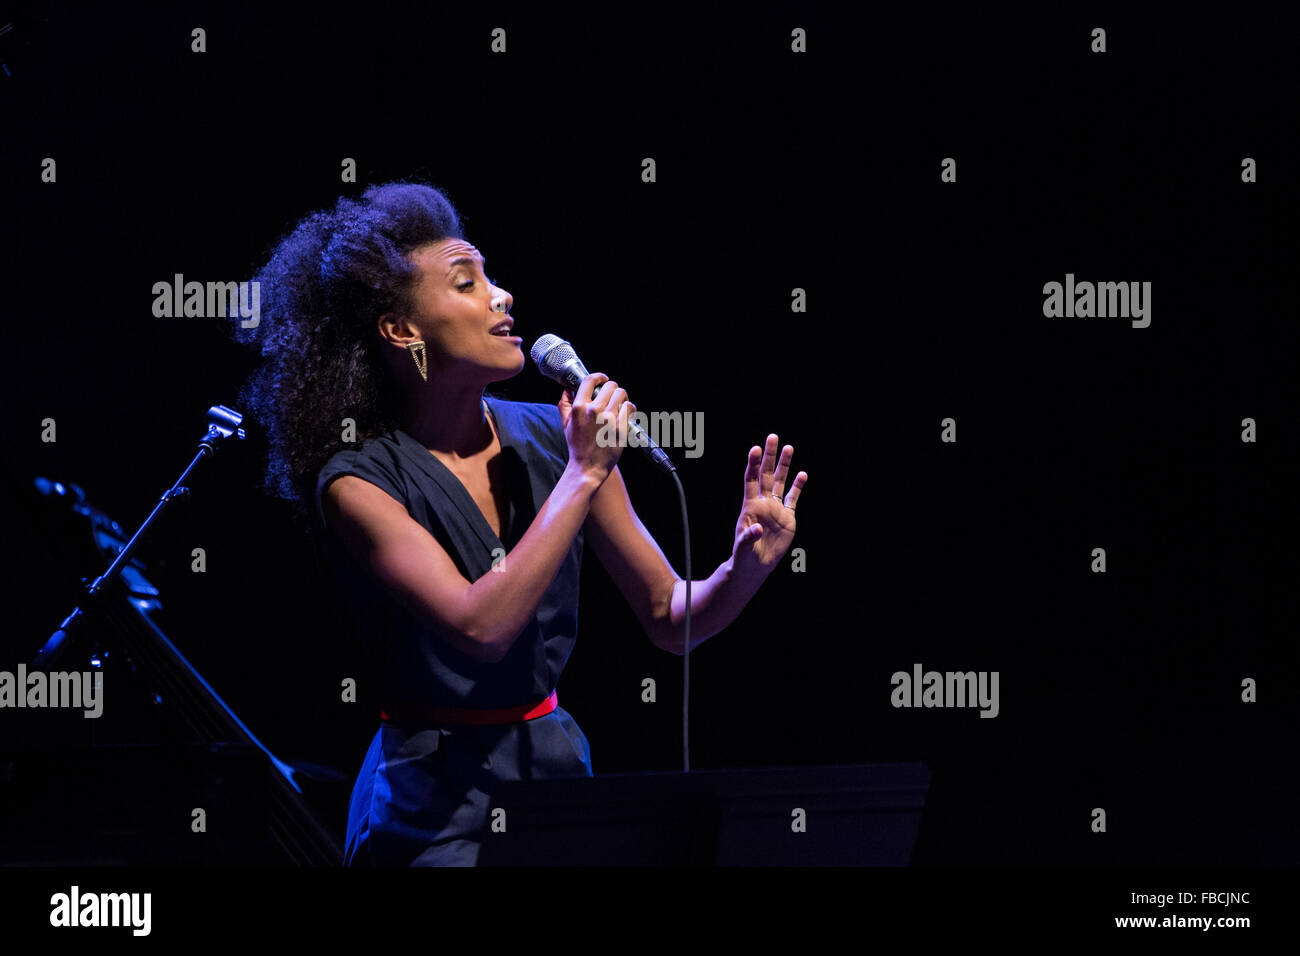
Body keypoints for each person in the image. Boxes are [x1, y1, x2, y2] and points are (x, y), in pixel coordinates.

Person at [232, 181, 808, 865]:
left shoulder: (552, 440)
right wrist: (584, 473)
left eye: (492, 279)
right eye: (467, 283)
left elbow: (668, 615)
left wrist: (744, 569)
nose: (501, 297)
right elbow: (480, 629)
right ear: (401, 329)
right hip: (430, 798)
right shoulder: (357, 481)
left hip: (553, 776)